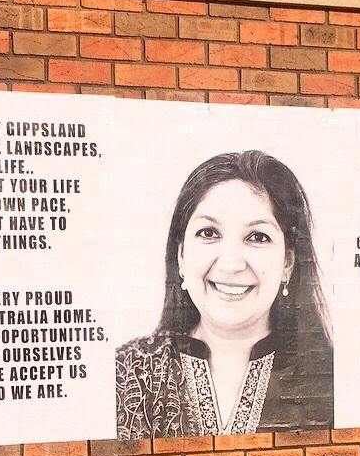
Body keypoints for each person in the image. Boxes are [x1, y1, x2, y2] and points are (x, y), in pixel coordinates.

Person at [117, 150, 333, 438]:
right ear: (181, 255)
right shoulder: (126, 373)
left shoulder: (335, 382)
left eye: (257, 237)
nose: (231, 264)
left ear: (288, 263)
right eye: (209, 233)